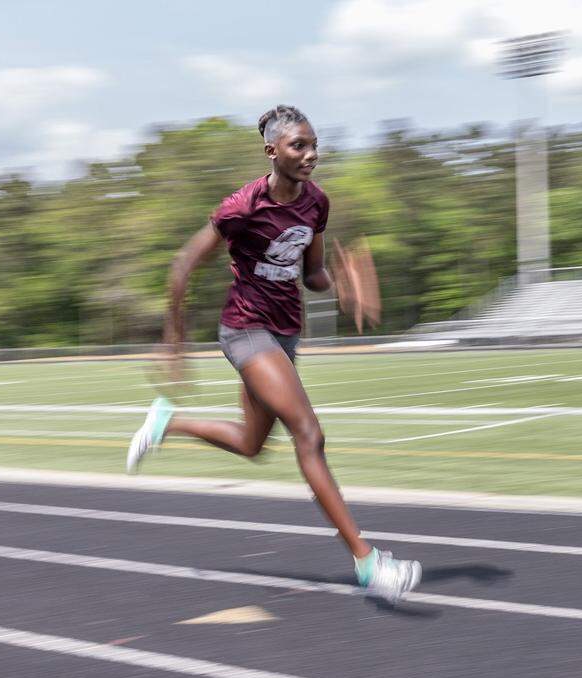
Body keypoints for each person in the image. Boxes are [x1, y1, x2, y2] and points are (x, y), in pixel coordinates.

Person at [126, 104, 420, 603]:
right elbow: (183, 265)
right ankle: (368, 563)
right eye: (298, 145)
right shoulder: (242, 206)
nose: (311, 154)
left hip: (285, 334)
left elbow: (312, 274)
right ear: (272, 151)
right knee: (309, 435)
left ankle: (167, 423)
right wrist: (173, 339)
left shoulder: (316, 203)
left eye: (314, 145)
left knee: (251, 445)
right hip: (245, 330)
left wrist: (342, 284)